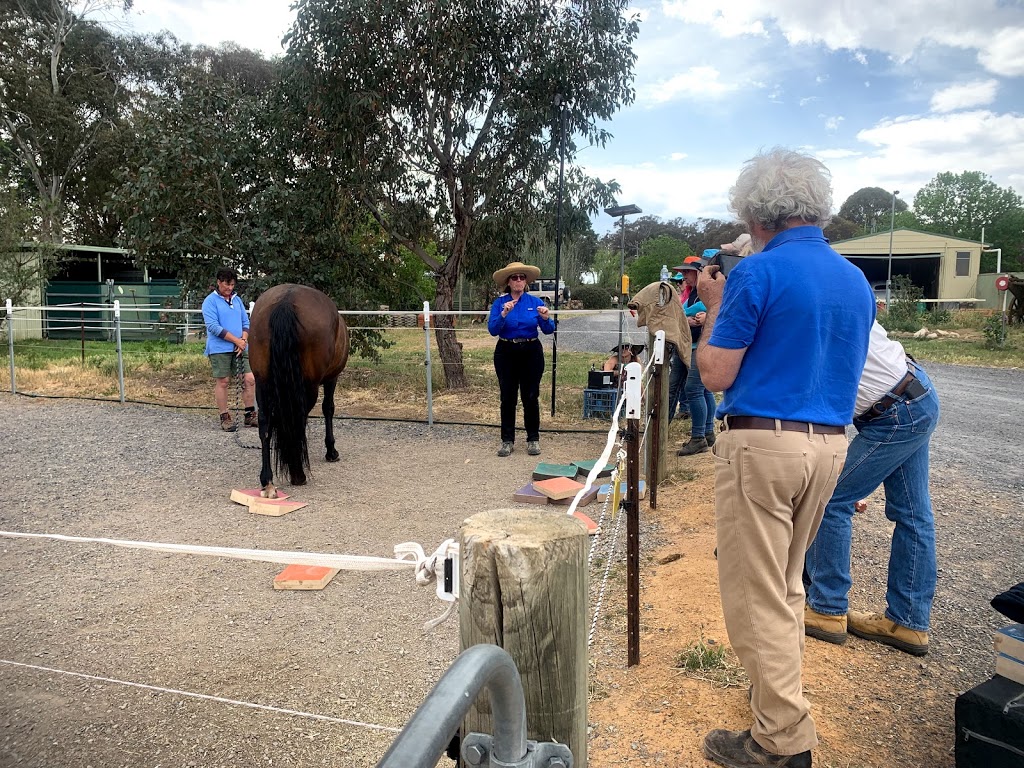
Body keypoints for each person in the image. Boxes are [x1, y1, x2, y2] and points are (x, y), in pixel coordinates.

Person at [694, 148, 875, 768]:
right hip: (827, 443)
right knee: (787, 585)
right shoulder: (852, 278)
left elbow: (716, 372)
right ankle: (774, 711)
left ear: (756, 212)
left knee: (754, 593)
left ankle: (782, 740)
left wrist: (713, 304)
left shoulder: (757, 272)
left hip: (762, 444)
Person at [804, 320, 940, 656]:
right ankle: (908, 622)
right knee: (913, 514)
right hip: (910, 395)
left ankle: (826, 609)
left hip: (895, 411)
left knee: (831, 497)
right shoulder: (839, 287)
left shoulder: (807, 305)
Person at [487, 260, 555, 457]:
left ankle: (533, 439)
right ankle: (507, 440)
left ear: (526, 282)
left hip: (531, 351)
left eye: (522, 277)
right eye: (514, 277)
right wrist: (503, 314)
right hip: (506, 351)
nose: (518, 280)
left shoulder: (536, 303)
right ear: (508, 282)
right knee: (508, 397)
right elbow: (492, 330)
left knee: (531, 396)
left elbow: (549, 330)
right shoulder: (500, 303)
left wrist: (545, 318)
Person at [202, 267, 257, 432]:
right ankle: (224, 416)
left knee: (249, 379)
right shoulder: (210, 302)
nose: (229, 288)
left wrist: (243, 340)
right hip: (220, 347)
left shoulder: (237, 300)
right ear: (219, 283)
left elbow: (245, 322)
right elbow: (213, 327)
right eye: (227, 284)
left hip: (241, 346)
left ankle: (250, 414)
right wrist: (236, 341)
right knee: (223, 381)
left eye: (232, 284)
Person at [676, 261, 717, 455]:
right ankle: (707, 431)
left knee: (693, 389)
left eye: (687, 272)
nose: (683, 276)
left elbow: (720, 310)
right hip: (693, 345)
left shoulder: (708, 292)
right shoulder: (692, 293)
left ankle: (699, 437)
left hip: (702, 346)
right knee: (703, 390)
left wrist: (707, 316)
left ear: (699, 273)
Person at [666, 272, 690, 422]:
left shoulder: (692, 297)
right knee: (679, 382)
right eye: (677, 282)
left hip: (690, 345)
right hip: (680, 343)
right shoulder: (683, 297)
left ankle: (685, 409)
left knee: (693, 386)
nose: (679, 285)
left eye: (680, 281)